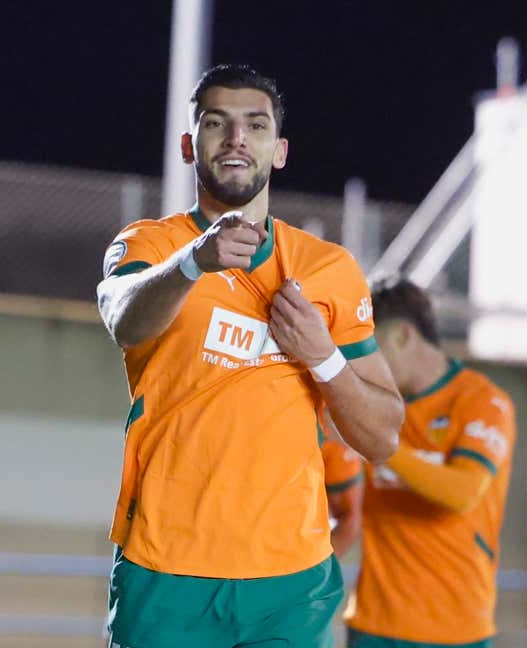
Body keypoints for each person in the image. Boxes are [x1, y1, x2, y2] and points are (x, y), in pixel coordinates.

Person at [95, 63, 404, 648]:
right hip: (167, 567)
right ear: (190, 145)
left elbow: (382, 436)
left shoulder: (328, 269)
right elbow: (122, 319)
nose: (238, 138)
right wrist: (194, 263)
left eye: (256, 126)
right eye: (218, 123)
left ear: (279, 150)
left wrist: (324, 358)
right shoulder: (150, 245)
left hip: (289, 583)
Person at [323, 278, 516, 647]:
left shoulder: (481, 401)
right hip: (373, 625)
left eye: (367, 347)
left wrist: (377, 442)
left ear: (402, 336)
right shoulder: (373, 408)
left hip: (455, 631)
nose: (360, 363)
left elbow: (462, 491)